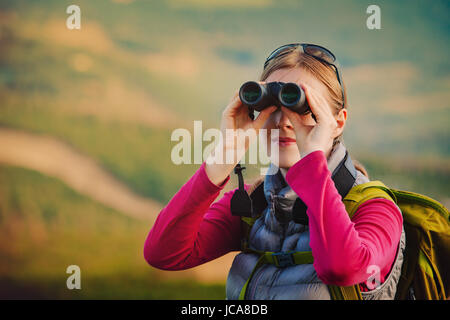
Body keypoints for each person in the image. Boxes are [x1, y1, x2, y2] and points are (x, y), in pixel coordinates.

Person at [143, 43, 404, 300]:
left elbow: (341, 268)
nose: (283, 122)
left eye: (304, 108)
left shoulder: (376, 210)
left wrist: (312, 164)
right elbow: (163, 253)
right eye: (273, 107)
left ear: (337, 123)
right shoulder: (256, 203)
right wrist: (223, 157)